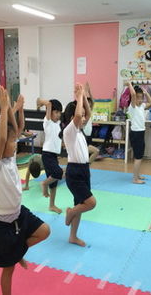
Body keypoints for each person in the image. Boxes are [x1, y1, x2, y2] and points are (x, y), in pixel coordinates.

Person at [0, 86, 50, 295]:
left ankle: (18, 251)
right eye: (11, 141)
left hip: (19, 214)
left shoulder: (10, 158)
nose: (14, 143)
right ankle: (15, 257)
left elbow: (17, 129)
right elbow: (1, 139)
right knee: (8, 270)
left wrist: (18, 109)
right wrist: (4, 107)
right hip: (3, 225)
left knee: (45, 231)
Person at [63, 84, 97, 247]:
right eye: (80, 116)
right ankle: (70, 212)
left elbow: (87, 114)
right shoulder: (69, 131)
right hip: (74, 173)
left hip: (84, 171)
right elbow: (77, 116)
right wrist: (79, 97)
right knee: (90, 203)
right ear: (71, 118)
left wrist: (83, 99)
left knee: (81, 204)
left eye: (84, 116)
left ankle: (73, 236)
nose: (83, 118)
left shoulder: (80, 132)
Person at [36, 97, 63, 214]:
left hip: (54, 156)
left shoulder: (58, 124)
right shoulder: (47, 122)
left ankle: (52, 205)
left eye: (59, 113)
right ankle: (44, 183)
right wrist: (40, 103)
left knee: (54, 182)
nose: (58, 115)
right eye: (56, 112)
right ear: (50, 112)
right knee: (59, 173)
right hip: (47, 155)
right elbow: (48, 104)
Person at [127, 81, 151, 184]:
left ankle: (137, 175)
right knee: (138, 157)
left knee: (139, 156)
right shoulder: (132, 107)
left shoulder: (142, 106)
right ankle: (135, 179)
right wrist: (129, 84)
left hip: (140, 133)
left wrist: (146, 94)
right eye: (138, 97)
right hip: (136, 134)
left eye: (141, 97)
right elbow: (132, 94)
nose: (140, 99)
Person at [83, 82, 100, 164]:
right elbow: (84, 102)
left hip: (89, 136)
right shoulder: (84, 113)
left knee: (87, 155)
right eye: (87, 105)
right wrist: (85, 92)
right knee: (92, 152)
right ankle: (85, 167)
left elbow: (93, 102)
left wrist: (89, 91)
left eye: (90, 106)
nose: (89, 107)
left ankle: (85, 167)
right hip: (84, 136)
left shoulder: (89, 111)